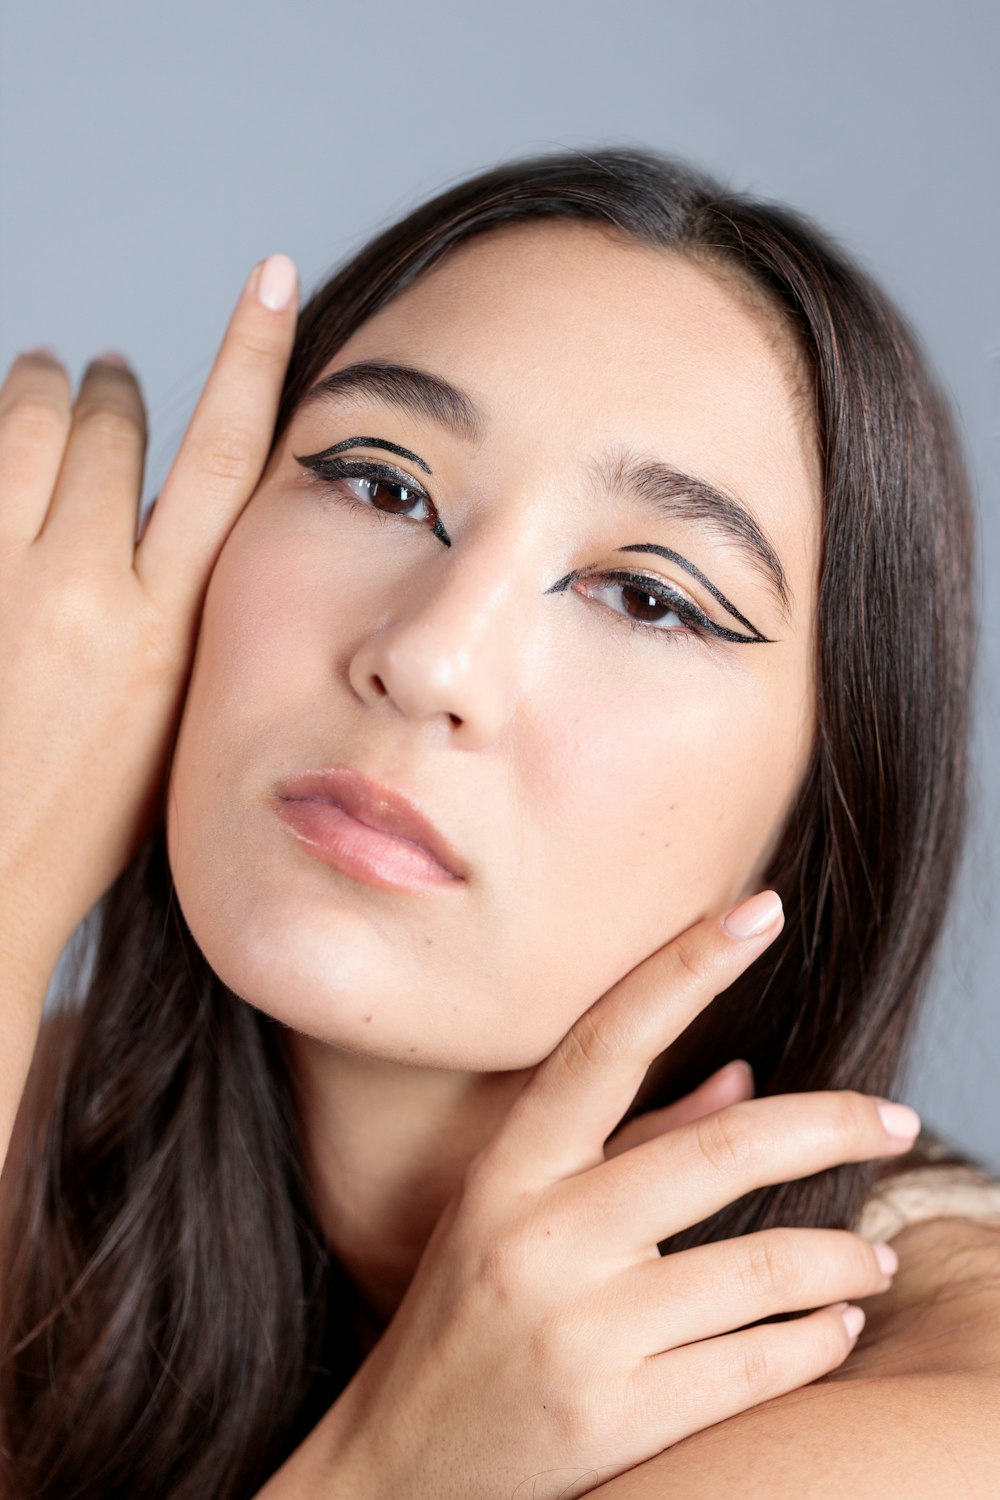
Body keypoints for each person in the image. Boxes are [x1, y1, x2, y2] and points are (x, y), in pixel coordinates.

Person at [1, 145, 998, 1499]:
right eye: (382, 484)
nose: (430, 661)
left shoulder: (930, 1431)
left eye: (648, 598)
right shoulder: (49, 1130)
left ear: (826, 813)